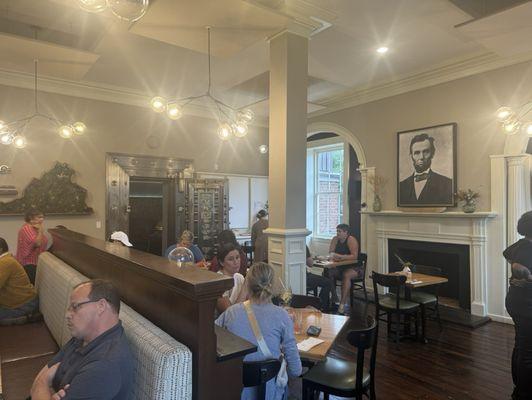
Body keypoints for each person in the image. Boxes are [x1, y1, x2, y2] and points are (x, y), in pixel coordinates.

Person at [30, 279, 133, 400]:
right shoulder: (83, 336)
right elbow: (37, 383)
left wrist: (43, 383)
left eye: (75, 307)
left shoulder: (104, 366)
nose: (67, 315)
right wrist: (44, 385)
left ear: (101, 306)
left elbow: (42, 379)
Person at [216, 262, 302, 400]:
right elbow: (296, 370)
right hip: (269, 393)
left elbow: (212, 337)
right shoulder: (282, 316)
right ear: (272, 286)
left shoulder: (231, 313)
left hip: (235, 390)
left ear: (247, 285)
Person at [504, 211, 532, 399]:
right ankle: (524, 393)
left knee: (521, 345)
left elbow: (506, 254)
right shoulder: (528, 249)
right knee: (528, 351)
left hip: (515, 301)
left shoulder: (519, 245)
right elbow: (519, 268)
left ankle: (518, 386)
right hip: (526, 306)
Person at [399, 133, 453, 205]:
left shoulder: (447, 184)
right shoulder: (401, 186)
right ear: (411, 156)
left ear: (432, 154)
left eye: (426, 152)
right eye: (417, 153)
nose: (421, 157)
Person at [0, 237, 39, 323]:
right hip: (23, 302)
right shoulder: (7, 259)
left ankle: (25, 318)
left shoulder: (5, 262)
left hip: (23, 305)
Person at [328, 224, 359, 314]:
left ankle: (342, 303)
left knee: (346, 275)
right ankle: (334, 297)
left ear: (346, 232)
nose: (337, 233)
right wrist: (332, 258)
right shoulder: (335, 239)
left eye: (340, 231)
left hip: (354, 267)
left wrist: (340, 257)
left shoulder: (351, 240)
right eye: (337, 231)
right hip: (339, 266)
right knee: (328, 273)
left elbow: (354, 256)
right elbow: (331, 252)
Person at [215, 243, 248, 316]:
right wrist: (245, 287)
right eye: (230, 259)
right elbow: (231, 314)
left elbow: (248, 305)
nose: (236, 262)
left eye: (237, 257)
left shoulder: (239, 277)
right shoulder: (218, 281)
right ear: (221, 262)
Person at [16, 209, 48, 284]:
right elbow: (37, 243)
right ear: (31, 218)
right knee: (31, 287)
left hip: (35, 262)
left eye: (43, 217)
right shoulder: (27, 229)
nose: (42, 219)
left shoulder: (35, 228)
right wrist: (40, 231)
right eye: (39, 217)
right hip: (29, 264)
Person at [305, 246, 332, 311]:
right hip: (305, 277)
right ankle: (320, 305)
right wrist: (311, 256)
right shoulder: (303, 245)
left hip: (297, 277)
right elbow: (310, 264)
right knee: (327, 282)